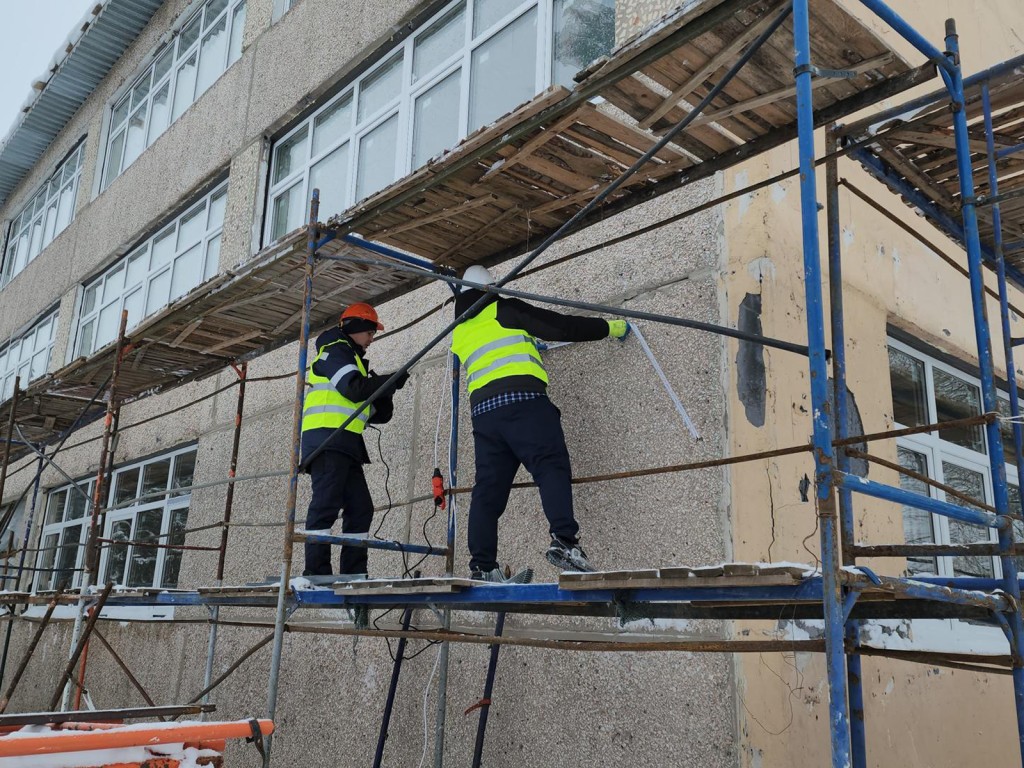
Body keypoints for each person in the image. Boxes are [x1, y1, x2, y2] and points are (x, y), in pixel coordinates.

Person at [451, 265, 630, 582]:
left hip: (484, 415)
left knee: (488, 491)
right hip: (523, 402)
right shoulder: (502, 308)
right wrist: (611, 328)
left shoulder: (460, 331)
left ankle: (482, 566)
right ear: (489, 289)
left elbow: (497, 351)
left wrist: (530, 345)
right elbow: (559, 327)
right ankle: (565, 542)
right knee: (550, 465)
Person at [300, 302, 409, 580]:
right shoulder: (334, 351)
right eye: (370, 332)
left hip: (345, 443)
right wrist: (388, 382)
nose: (372, 339)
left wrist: (385, 391)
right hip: (327, 438)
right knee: (325, 504)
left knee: (360, 507)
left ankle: (354, 572)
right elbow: (353, 389)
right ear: (356, 328)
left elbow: (374, 413)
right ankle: (316, 571)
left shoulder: (352, 358)